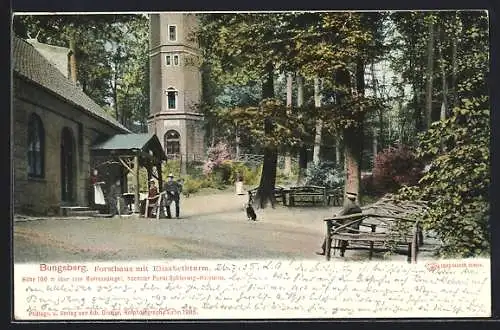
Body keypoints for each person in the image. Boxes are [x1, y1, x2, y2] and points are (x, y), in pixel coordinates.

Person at [316, 191, 362, 255]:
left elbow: (340, 216)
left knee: (330, 232)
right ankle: (342, 251)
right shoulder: (357, 207)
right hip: (354, 229)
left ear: (348, 198)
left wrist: (335, 217)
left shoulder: (348, 206)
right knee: (339, 226)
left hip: (346, 229)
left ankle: (325, 250)